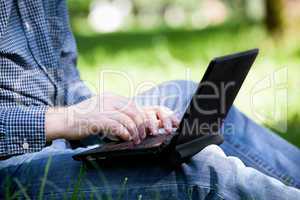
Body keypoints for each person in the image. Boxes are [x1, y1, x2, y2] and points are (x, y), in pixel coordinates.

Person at [0, 0, 299, 199]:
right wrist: (67, 120)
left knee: (189, 96)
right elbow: (64, 116)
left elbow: (64, 83)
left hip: (62, 138)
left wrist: (116, 116)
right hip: (10, 164)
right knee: (198, 169)